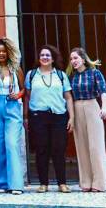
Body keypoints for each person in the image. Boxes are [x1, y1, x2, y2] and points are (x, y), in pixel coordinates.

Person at [24, 44, 74, 193]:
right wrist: (25, 117)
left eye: (48, 55)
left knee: (59, 150)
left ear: (53, 58)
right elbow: (27, 97)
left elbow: (68, 97)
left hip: (59, 116)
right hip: (38, 116)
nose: (44, 57)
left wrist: (71, 117)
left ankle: (62, 183)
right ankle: (43, 183)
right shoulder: (31, 75)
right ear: (39, 59)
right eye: (42, 55)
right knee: (41, 150)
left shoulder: (61, 75)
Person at [0, 37, 25, 195]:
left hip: (12, 107)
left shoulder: (16, 69)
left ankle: (15, 184)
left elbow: (24, 90)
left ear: (8, 52)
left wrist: (19, 94)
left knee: (12, 144)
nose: (1, 53)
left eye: (3, 51)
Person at [68, 47, 106, 192]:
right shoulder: (71, 76)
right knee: (81, 146)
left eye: (76, 58)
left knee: (95, 146)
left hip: (92, 106)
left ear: (83, 59)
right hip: (77, 108)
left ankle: (99, 183)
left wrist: (104, 108)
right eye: (71, 59)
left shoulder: (94, 73)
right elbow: (69, 97)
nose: (73, 61)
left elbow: (103, 91)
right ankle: (85, 182)